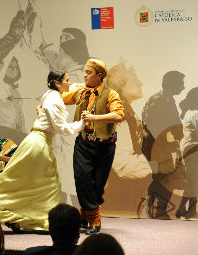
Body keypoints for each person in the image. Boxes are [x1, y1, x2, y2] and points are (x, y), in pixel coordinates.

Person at [0, 69, 84, 231]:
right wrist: (82, 123)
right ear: (58, 83)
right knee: (48, 184)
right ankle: (42, 221)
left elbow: (43, 105)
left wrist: (84, 86)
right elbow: (62, 128)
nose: (70, 83)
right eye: (67, 80)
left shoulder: (50, 94)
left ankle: (22, 218)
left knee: (30, 183)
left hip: (36, 141)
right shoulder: (54, 100)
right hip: (39, 144)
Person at [62, 58, 124, 234]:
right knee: (83, 181)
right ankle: (95, 221)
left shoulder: (111, 94)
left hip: (105, 146)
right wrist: (45, 103)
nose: (85, 75)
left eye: (89, 73)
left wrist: (94, 118)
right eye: (85, 71)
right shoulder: (81, 92)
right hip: (83, 143)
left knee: (96, 186)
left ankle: (84, 215)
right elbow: (60, 99)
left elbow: (119, 115)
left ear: (100, 76)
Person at [101, 59, 156, 217]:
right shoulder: (118, 114)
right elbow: (123, 164)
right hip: (117, 197)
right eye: (134, 79)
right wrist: (159, 167)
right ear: (120, 85)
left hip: (127, 193)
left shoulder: (127, 111)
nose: (141, 83)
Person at [142, 71, 185, 219]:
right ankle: (153, 208)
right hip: (157, 149)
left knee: (166, 177)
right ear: (172, 84)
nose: (183, 87)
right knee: (162, 177)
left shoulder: (167, 99)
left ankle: (158, 209)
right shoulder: (159, 101)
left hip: (163, 148)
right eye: (181, 83)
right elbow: (153, 127)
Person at [175, 87, 198, 219]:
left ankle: (185, 209)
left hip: (189, 150)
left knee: (192, 180)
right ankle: (187, 209)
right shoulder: (195, 113)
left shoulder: (189, 112)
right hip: (193, 150)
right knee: (193, 181)